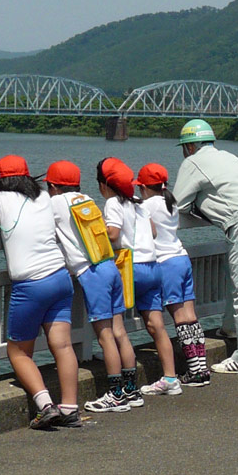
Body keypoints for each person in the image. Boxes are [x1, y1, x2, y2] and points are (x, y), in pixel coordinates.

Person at [0, 155, 80, 430]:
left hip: (31, 285)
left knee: (18, 351)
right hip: (59, 277)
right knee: (63, 346)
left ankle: (45, 406)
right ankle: (70, 408)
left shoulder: (0, 199)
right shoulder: (44, 197)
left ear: (1, 181)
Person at [171, 118, 238, 374]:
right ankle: (231, 327)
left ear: (189, 146)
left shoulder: (193, 162)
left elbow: (176, 204)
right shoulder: (228, 156)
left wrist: (199, 206)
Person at [45, 160, 140, 414]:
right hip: (110, 265)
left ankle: (115, 395)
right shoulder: (85, 198)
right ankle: (132, 390)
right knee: (119, 331)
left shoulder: (53, 203)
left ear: (52, 186)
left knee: (104, 334)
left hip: (91, 272)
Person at [99, 158, 177, 401]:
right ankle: (171, 378)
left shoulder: (113, 202)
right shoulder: (139, 204)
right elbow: (153, 232)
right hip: (153, 267)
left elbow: (112, 234)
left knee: (117, 328)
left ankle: (124, 386)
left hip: (130, 268)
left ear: (104, 185)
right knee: (157, 325)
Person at [137, 162, 215, 384]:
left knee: (179, 318)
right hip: (182, 258)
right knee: (191, 315)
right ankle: (202, 367)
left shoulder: (147, 206)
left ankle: (194, 371)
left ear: (143, 187)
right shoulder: (170, 202)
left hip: (165, 262)